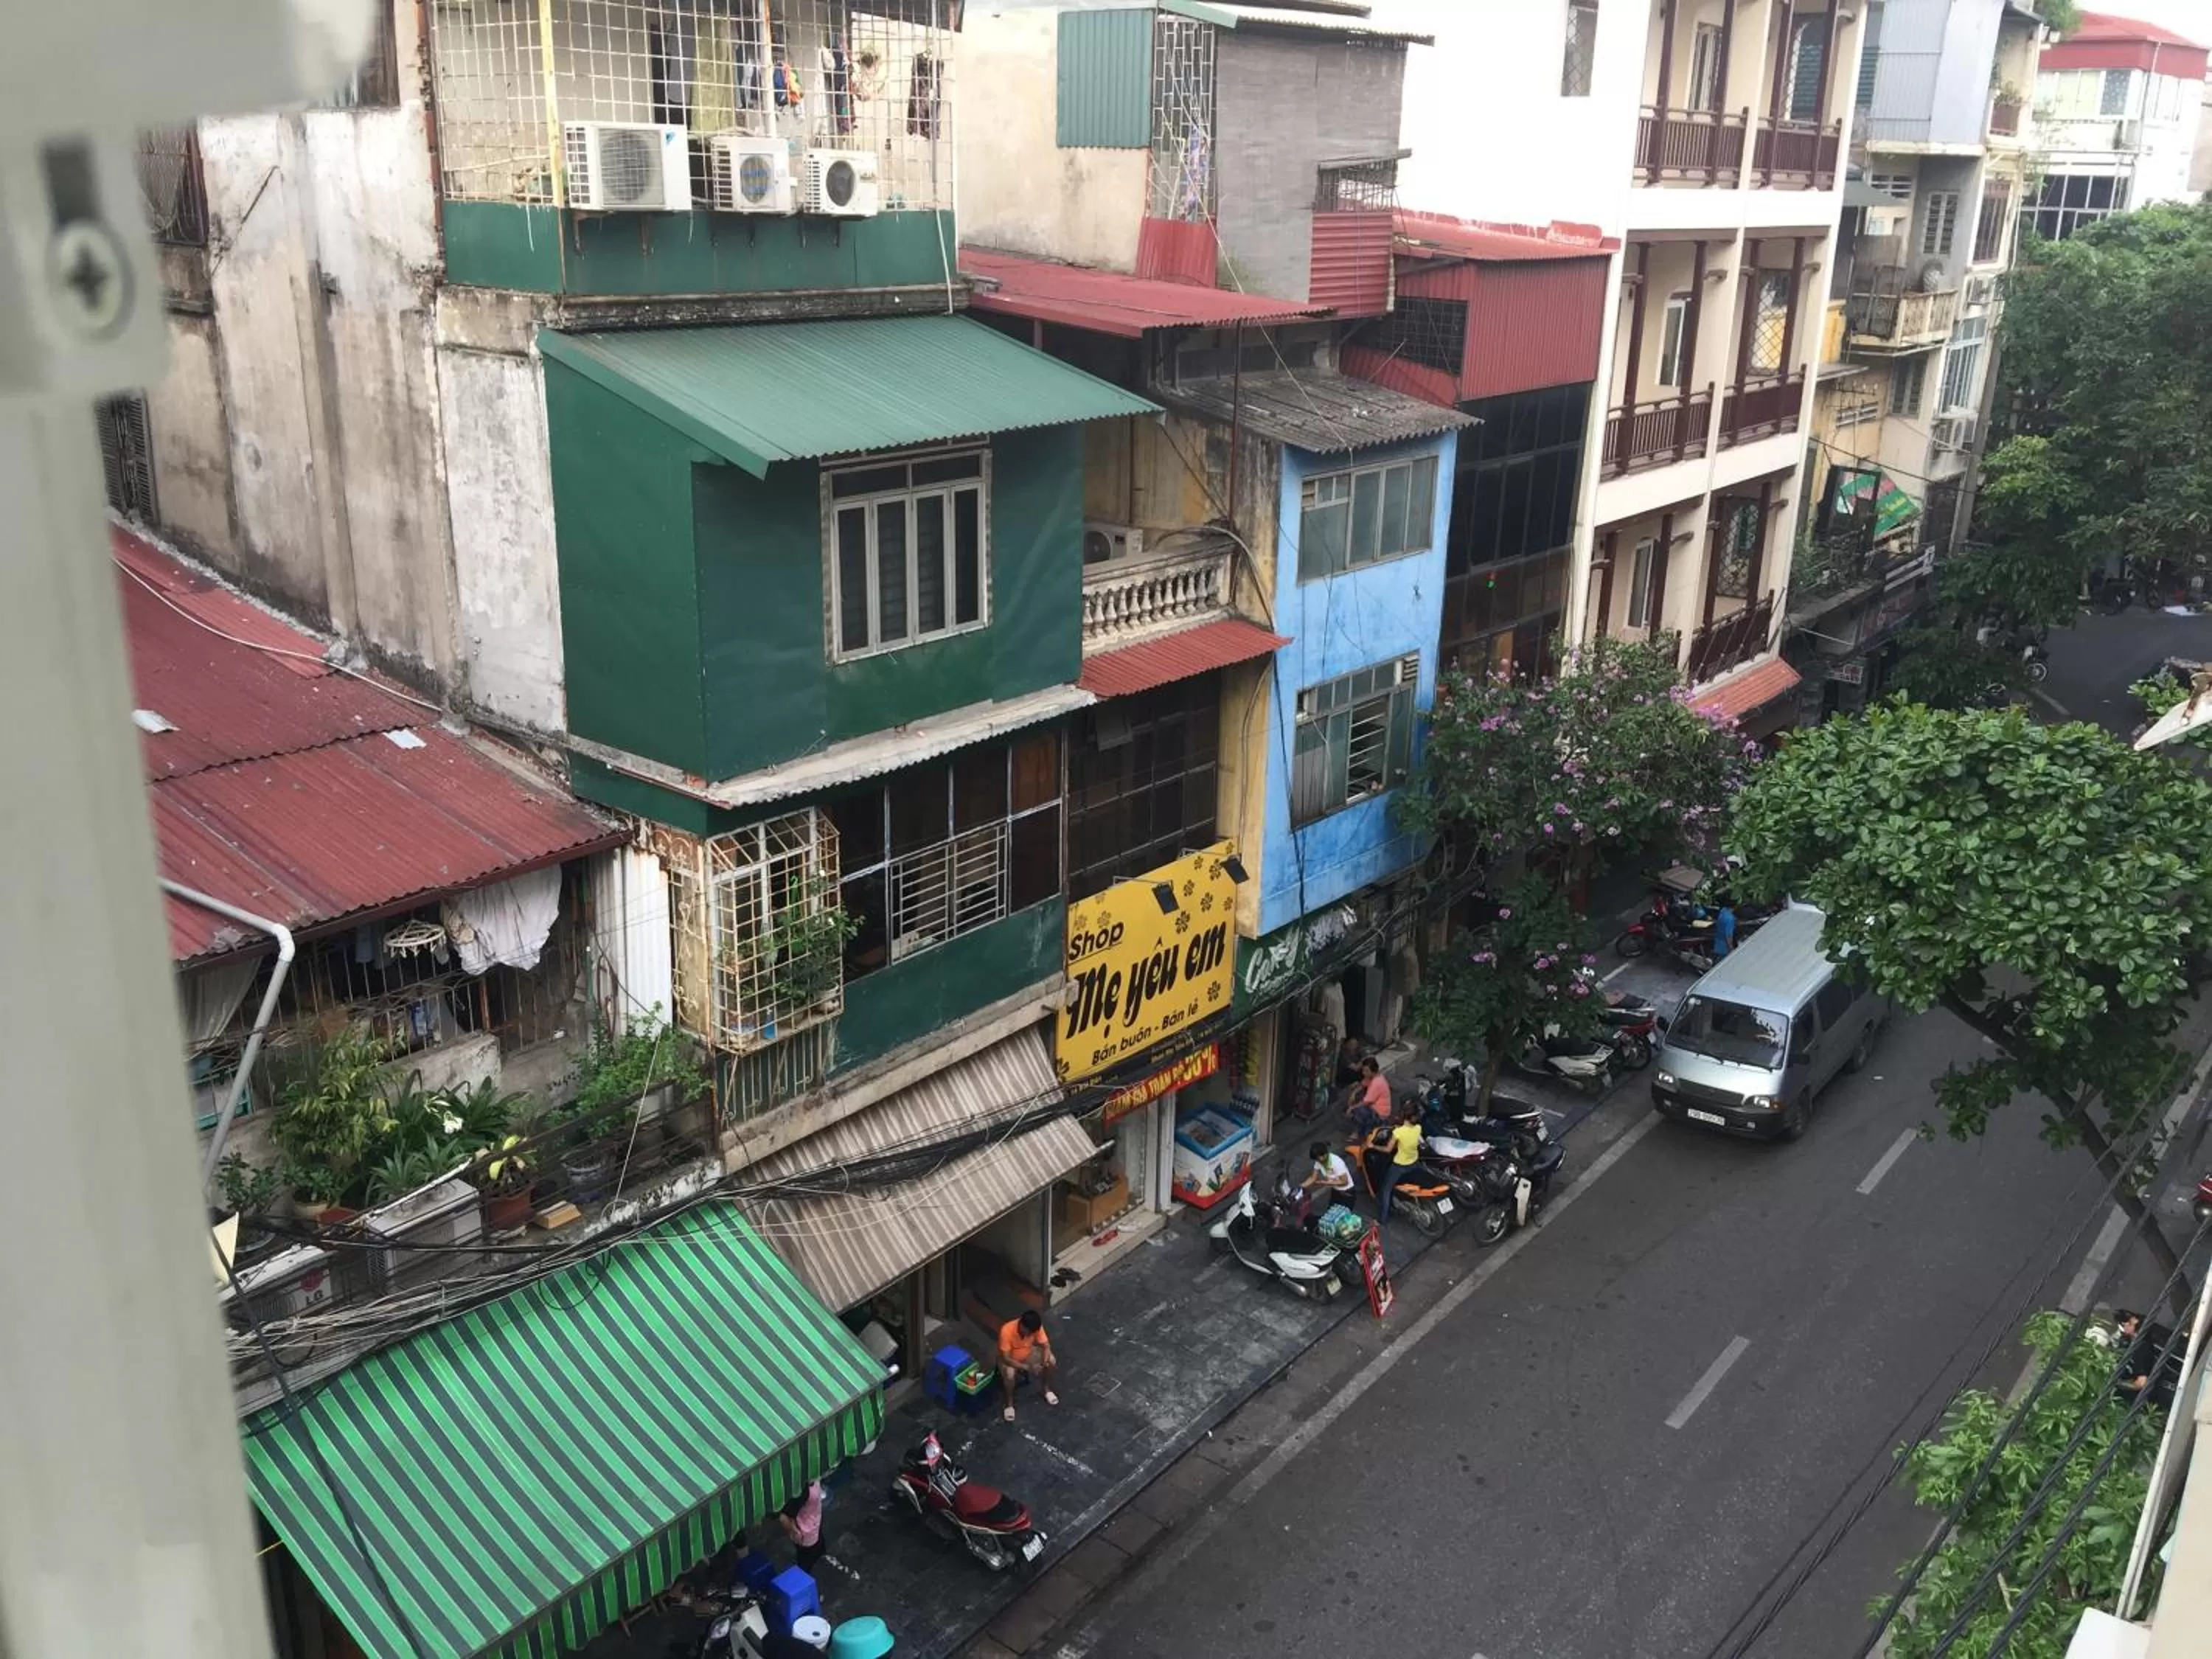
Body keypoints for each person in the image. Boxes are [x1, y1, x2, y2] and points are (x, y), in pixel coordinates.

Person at [997, 1309, 1060, 1422]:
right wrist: (1028, 1368)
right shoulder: (1006, 1330)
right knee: (1009, 1374)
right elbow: (1006, 1358)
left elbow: (1046, 1346)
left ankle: (1046, 1389)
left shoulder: (1036, 1328)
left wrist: (1044, 1362)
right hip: (1011, 1359)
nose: (1030, 1335)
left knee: (1052, 1361)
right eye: (1028, 1332)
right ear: (1022, 1325)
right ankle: (1009, 1404)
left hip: (1028, 1353)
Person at [1377, 1107, 1424, 1222]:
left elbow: (1388, 1150)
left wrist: (1373, 1147)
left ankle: (1382, 1220)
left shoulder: (1398, 1132)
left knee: (1386, 1190)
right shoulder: (1418, 1128)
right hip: (1414, 1162)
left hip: (1400, 1166)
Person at [778, 1480, 826, 1574]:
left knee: (820, 1548)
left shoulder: (814, 1479)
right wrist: (795, 1532)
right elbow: (783, 1517)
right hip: (806, 1534)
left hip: (815, 1524)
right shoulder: (802, 1492)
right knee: (805, 1563)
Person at [1301, 1139, 1356, 1214]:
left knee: (1343, 1218)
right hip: (1336, 1191)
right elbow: (1313, 1178)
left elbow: (1344, 1182)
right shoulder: (1319, 1161)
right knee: (1330, 1214)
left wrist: (1326, 1183)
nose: (1318, 1161)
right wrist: (1300, 1187)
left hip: (1346, 1193)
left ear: (1325, 1154)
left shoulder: (1336, 1162)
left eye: (1318, 1159)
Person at [1346, 1056, 1394, 1135]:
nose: (1363, 1073)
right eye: (1363, 1070)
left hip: (1380, 1115)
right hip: (1375, 1109)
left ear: (1373, 1071)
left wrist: (1352, 1108)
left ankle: (1359, 1132)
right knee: (1356, 1103)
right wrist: (1353, 1093)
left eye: (1366, 1071)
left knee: (1357, 1111)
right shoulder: (1373, 1077)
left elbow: (1366, 1102)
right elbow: (1363, 1084)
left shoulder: (1377, 1083)